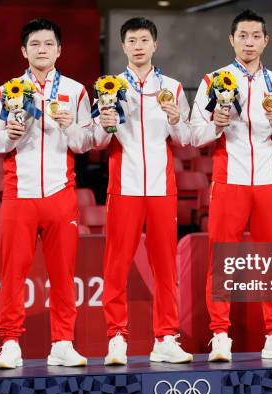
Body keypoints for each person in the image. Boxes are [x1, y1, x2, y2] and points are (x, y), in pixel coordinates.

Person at [190, 9, 272, 362]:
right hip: (230, 181)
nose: (249, 42)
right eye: (243, 35)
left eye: (256, 36)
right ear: (232, 40)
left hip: (270, 183)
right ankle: (220, 335)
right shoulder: (214, 81)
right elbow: (195, 135)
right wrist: (217, 124)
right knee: (221, 262)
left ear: (266, 41)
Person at [0, 18, 94, 369]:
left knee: (63, 275)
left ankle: (62, 343)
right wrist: (11, 135)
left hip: (61, 194)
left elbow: (87, 143)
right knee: (13, 274)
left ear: (59, 50)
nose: (42, 49)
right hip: (20, 194)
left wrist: (69, 125)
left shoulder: (75, 91)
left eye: (48, 44)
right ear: (23, 50)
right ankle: (11, 343)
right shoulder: (7, 91)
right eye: (35, 44)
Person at [94, 17, 193, 365]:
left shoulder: (173, 88)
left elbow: (186, 139)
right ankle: (116, 338)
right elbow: (96, 140)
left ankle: (166, 337)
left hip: (162, 189)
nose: (138, 45)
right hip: (124, 187)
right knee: (116, 266)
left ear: (155, 45)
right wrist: (105, 124)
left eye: (144, 39)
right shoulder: (108, 87)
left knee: (166, 268)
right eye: (131, 40)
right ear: (123, 47)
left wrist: (174, 118)